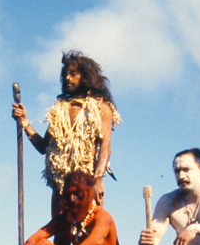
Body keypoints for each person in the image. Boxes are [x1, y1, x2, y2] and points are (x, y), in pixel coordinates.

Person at [11, 50, 120, 210]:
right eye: (65, 74)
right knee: (60, 233)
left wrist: (98, 180)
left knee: (90, 232)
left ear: (85, 75)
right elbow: (43, 147)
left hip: (86, 185)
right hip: (60, 188)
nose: (68, 78)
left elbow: (105, 147)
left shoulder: (100, 107)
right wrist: (24, 122)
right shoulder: (60, 110)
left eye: (73, 73)